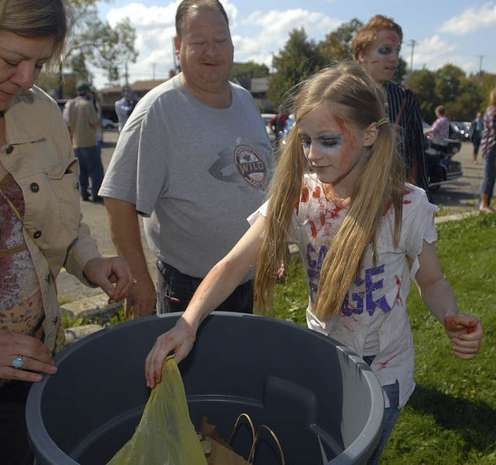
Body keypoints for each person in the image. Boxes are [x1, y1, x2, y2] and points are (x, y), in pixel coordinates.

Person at [144, 63, 483, 465]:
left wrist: (449, 316)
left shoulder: (406, 208)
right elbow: (234, 263)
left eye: (327, 141)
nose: (311, 155)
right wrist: (188, 321)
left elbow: (432, 281)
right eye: (305, 140)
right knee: (321, 447)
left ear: (370, 134)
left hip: (385, 372)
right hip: (321, 357)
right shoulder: (303, 197)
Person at [0, 1, 133, 464]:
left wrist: (89, 260)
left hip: (26, 371)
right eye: (12, 60)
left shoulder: (40, 114)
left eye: (39, 64)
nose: (26, 80)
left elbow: (60, 219)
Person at [99, 0, 273, 317]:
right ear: (178, 47)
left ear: (232, 41)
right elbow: (118, 199)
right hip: (188, 287)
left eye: (220, 40)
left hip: (248, 279)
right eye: (199, 42)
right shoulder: (158, 110)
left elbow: (262, 183)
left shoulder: (246, 101)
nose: (212, 52)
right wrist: (139, 280)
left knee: (243, 364)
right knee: (193, 367)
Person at [352, 15, 428, 190]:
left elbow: (417, 156)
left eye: (397, 50)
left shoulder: (405, 99)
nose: (395, 58)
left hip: (393, 198)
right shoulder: (340, 94)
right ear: (362, 54)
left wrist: (423, 201)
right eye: (385, 50)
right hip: (348, 199)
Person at [65, 81, 104, 202]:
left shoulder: (70, 104)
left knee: (82, 171)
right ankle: (96, 194)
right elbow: (95, 122)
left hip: (76, 144)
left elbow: (67, 123)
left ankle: (84, 194)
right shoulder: (87, 104)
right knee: (96, 170)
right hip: (89, 143)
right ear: (87, 92)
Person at [479, 89, 496, 213]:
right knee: (489, 177)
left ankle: (487, 204)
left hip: (491, 147)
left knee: (491, 176)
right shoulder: (493, 111)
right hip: (491, 147)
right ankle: (484, 204)